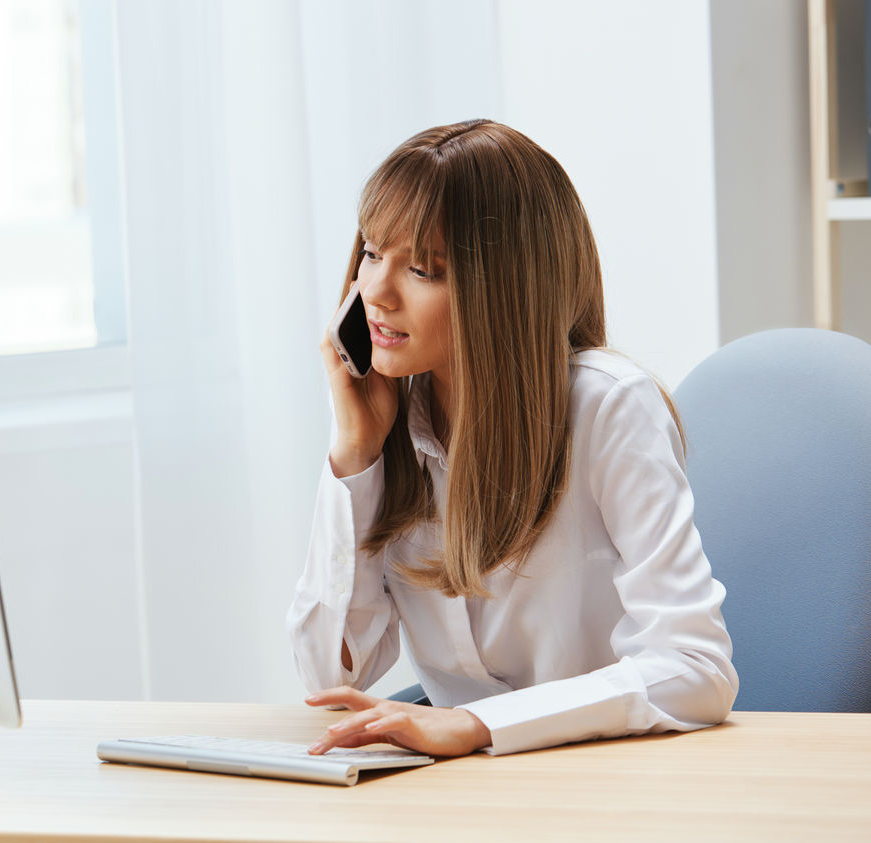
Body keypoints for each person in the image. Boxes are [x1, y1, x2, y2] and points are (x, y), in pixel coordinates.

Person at [287, 119, 737, 758]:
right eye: (369, 253)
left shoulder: (608, 407)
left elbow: (697, 668)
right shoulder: (389, 421)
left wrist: (477, 725)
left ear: (501, 289)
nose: (375, 293)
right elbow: (329, 678)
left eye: (421, 269)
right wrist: (354, 456)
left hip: (612, 780)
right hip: (468, 790)